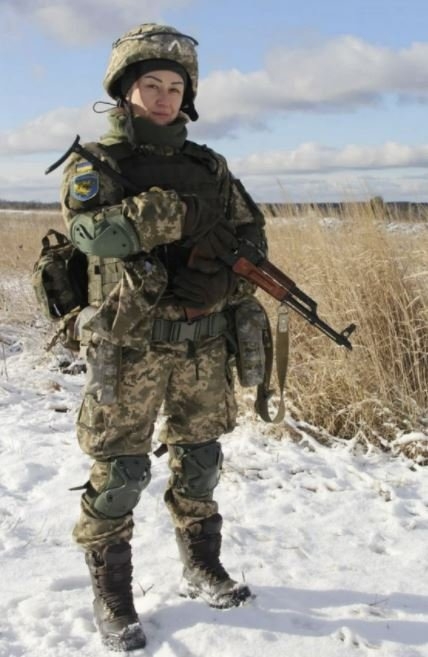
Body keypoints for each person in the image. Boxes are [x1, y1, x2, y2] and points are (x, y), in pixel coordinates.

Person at [60, 23, 268, 652]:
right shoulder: (96, 163)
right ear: (124, 90)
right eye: (150, 84)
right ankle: (113, 596)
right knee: (121, 471)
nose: (163, 97)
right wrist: (177, 214)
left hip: (201, 342)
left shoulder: (209, 165)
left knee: (201, 460)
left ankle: (201, 566)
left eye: (175, 88)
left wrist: (219, 282)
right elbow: (94, 234)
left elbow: (250, 236)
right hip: (130, 347)